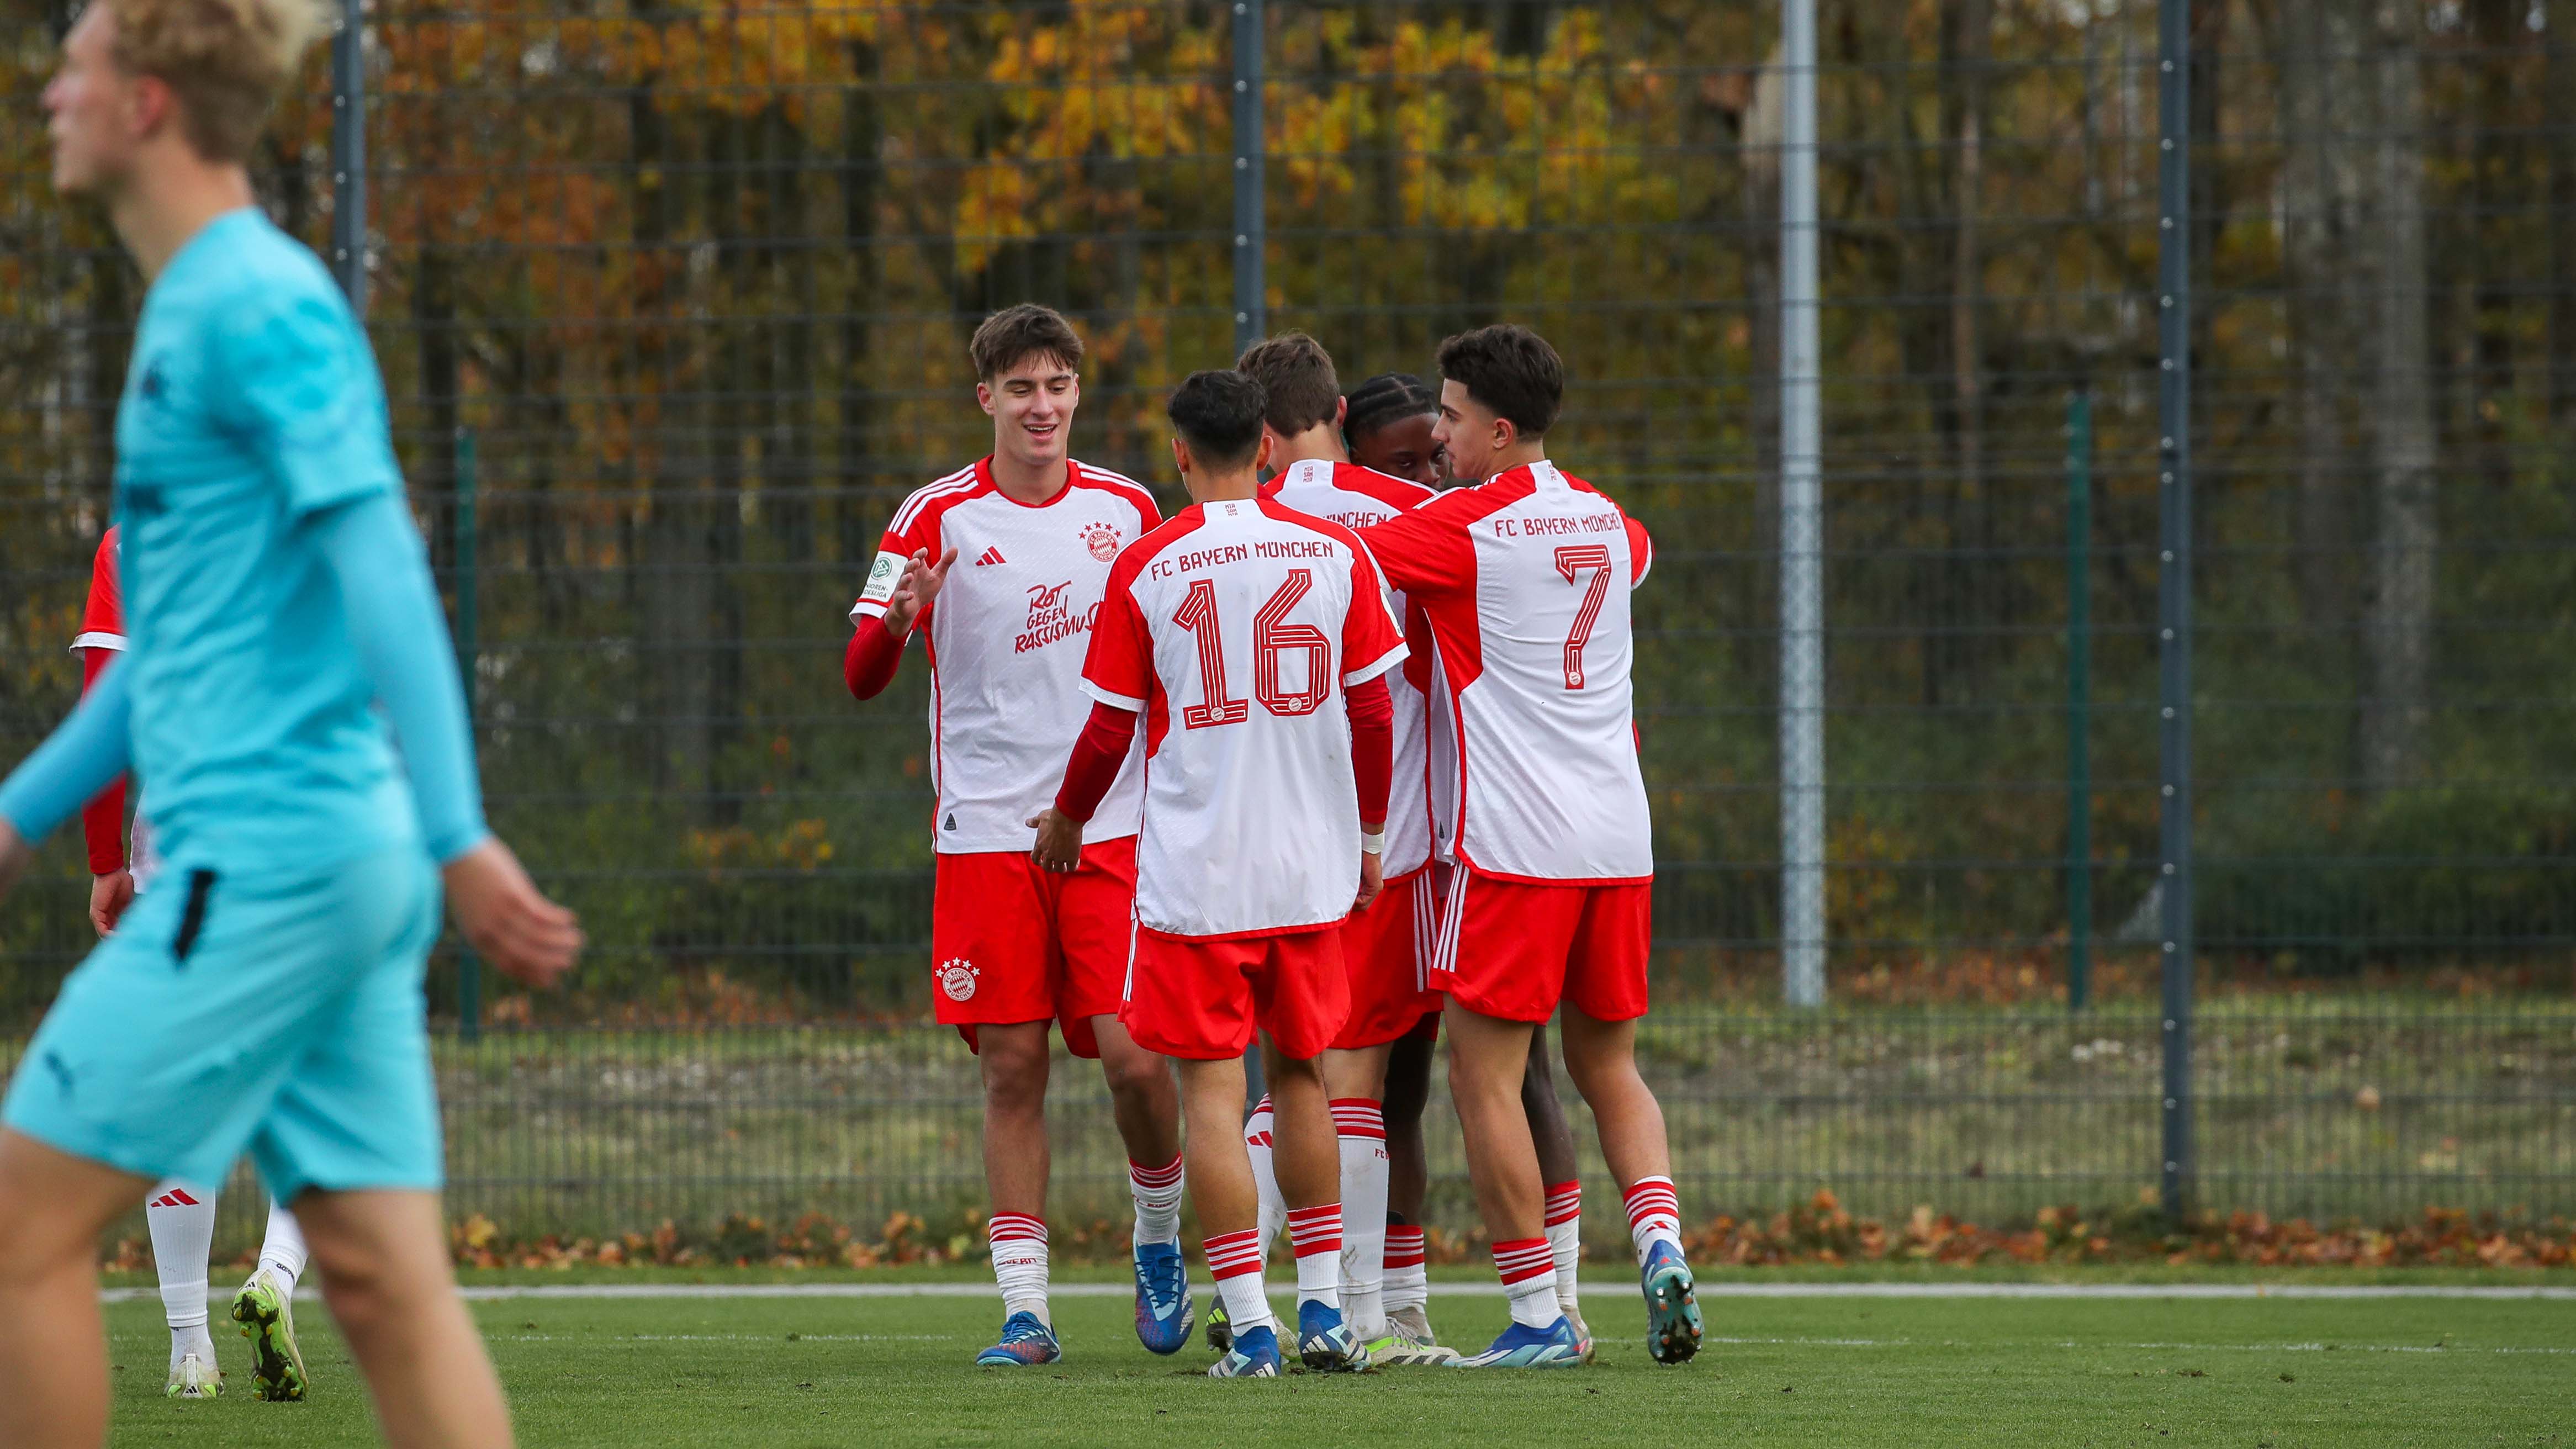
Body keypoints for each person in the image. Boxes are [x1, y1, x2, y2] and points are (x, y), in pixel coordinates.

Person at [1, 4, 584, 1445]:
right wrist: (17, 818)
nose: (48, 87)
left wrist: (463, 836)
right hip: (328, 866)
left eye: (73, 62)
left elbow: (383, 566)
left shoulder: (247, 306)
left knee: (21, 1230)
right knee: (388, 1288)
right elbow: (164, 657)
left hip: (265, 863)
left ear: (144, 103)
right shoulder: (195, 304)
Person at [1230, 337, 1596, 1362]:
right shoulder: (1416, 517)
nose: (1432, 454)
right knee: (1415, 1077)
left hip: (1276, 826)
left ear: (1254, 436)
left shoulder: (1232, 530)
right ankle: (1387, 1307)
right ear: (1338, 413)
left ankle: (1316, 1298)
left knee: (1301, 1069)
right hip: (1408, 839)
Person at [1032, 369, 1403, 1379]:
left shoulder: (1149, 563)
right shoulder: (1339, 555)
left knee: (1208, 1092)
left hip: (1200, 873)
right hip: (1309, 867)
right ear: (1271, 449)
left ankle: (1249, 1329)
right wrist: (1367, 835)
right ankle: (1324, 1312)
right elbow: (1374, 712)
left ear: (1181, 456)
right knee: (1303, 1078)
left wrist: (1066, 820)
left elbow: (1110, 725)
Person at [840, 304, 1191, 1366]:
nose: (1042, 408)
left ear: (1078, 394)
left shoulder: (1130, 508)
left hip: (1110, 824)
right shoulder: (930, 516)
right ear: (985, 397)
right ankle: (1025, 1310)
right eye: (1021, 389)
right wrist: (900, 621)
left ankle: (1159, 1237)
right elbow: (860, 674)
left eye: (1059, 386)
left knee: (1134, 1062)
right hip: (986, 830)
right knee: (1011, 1068)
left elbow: (1169, 660)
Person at [1362, 324, 1703, 1369]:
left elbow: (1342, 540)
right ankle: (1660, 1244)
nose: (1441, 443)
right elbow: (1631, 554)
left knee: (1481, 1077)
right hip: (1619, 837)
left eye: (1453, 423)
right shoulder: (1611, 523)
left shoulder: (1464, 531)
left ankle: (1537, 1316)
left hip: (1517, 847)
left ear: (1499, 430)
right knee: (1609, 1063)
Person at [71, 527, 313, 1402]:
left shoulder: (132, 542)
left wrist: (109, 861)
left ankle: (189, 1351)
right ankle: (276, 1279)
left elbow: (106, 711)